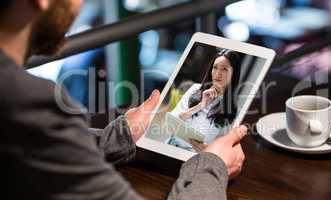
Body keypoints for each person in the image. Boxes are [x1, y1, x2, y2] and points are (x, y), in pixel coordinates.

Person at [0, 1, 247, 200]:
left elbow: (42, 149)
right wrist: (212, 166)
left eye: (224, 70)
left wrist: (116, 138)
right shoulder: (29, 105)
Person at [168, 49, 242, 152]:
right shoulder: (195, 89)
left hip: (193, 157)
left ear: (234, 74)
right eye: (215, 67)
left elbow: (222, 149)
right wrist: (200, 106)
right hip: (170, 145)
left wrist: (207, 150)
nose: (217, 74)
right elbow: (173, 120)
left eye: (224, 69)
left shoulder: (232, 109)